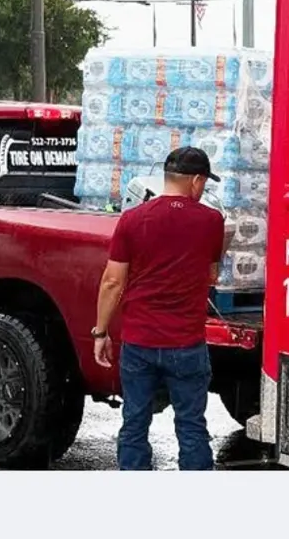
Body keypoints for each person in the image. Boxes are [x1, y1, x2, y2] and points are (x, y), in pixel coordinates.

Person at [92, 146, 226, 471]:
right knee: (191, 426)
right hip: (187, 344)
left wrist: (101, 332)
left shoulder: (132, 219)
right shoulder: (212, 221)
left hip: (139, 343)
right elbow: (211, 275)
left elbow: (112, 281)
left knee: (134, 423)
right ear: (196, 181)